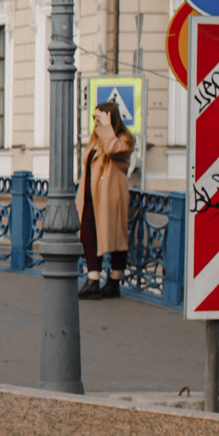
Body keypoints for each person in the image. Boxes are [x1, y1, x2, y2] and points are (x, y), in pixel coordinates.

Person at [78, 98, 135, 299]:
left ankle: (113, 282)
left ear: (111, 118)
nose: (95, 122)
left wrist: (107, 128)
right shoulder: (96, 138)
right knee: (88, 235)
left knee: (116, 238)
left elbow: (113, 150)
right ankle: (93, 279)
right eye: (94, 118)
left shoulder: (125, 139)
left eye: (99, 117)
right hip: (90, 198)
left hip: (110, 198)